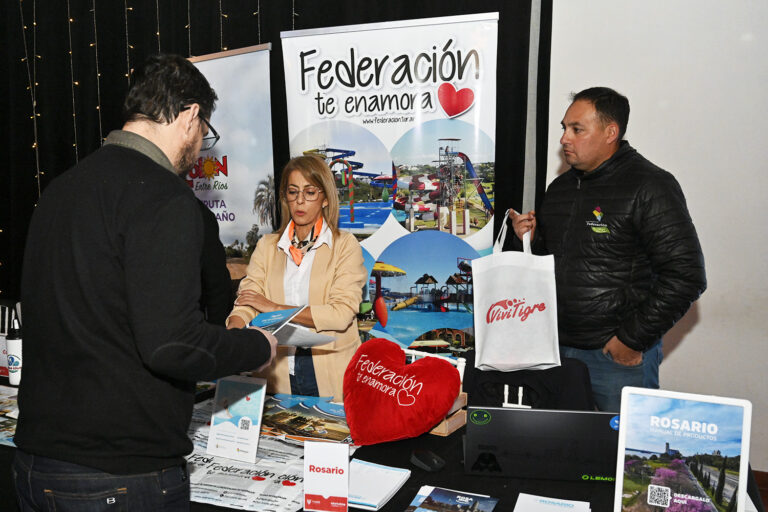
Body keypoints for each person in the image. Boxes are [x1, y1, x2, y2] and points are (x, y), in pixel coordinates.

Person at [14, 54, 277, 511]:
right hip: (120, 476)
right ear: (190, 115)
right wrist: (257, 347)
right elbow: (171, 344)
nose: (200, 147)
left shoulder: (59, 190)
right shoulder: (164, 197)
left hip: (36, 467)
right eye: (205, 133)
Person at [506, 87, 706, 412]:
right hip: (555, 352)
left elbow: (686, 275)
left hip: (613, 357)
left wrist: (631, 340)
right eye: (564, 128)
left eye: (576, 129)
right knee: (563, 454)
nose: (564, 139)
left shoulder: (650, 185)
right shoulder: (560, 188)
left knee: (619, 457)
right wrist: (524, 237)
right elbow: (549, 260)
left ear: (610, 132)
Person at [227, 155, 367, 401]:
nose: (300, 200)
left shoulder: (345, 245)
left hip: (329, 369)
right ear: (285, 197)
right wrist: (235, 337)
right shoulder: (267, 246)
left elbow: (341, 313)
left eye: (310, 192)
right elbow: (248, 300)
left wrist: (274, 309)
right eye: (293, 192)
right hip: (277, 368)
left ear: (325, 198)